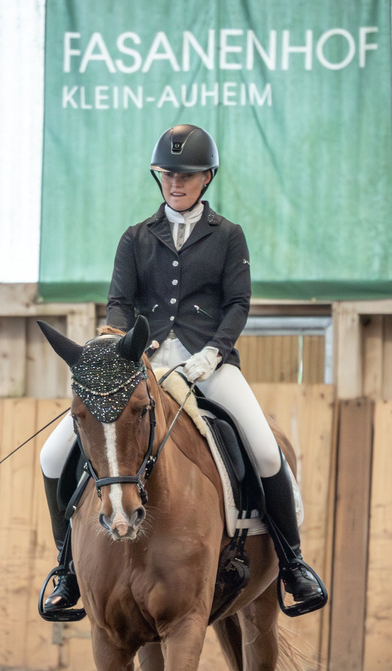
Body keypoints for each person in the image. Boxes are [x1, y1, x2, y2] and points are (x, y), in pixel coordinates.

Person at [39, 123, 326, 620]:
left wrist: (214, 352)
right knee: (52, 453)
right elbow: (119, 304)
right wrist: (114, 344)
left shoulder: (228, 236)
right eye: (169, 174)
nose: (177, 182)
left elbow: (238, 303)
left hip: (206, 363)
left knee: (263, 447)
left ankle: (294, 563)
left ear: (207, 177)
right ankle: (67, 566)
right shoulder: (135, 238)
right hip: (140, 365)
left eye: (188, 175)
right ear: (159, 177)